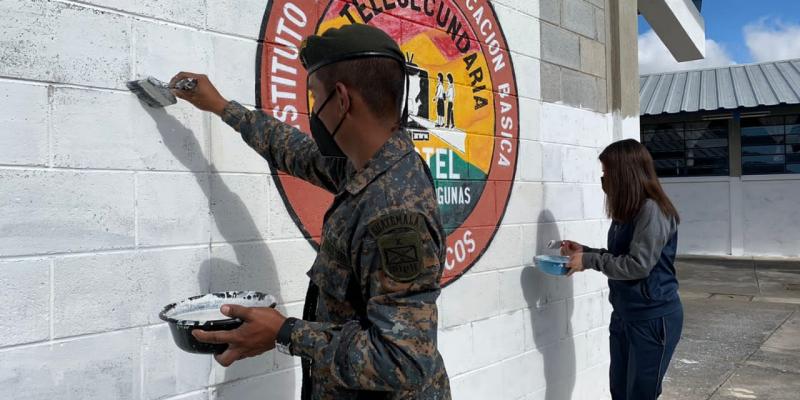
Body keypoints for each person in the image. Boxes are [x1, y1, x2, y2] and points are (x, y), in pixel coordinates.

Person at [170, 23, 451, 399]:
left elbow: (403, 361)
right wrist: (221, 106)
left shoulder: (394, 212)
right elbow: (297, 153)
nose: (314, 111)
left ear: (342, 99)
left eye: (315, 98)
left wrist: (286, 333)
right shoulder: (371, 164)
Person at [560, 139, 683, 400]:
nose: (604, 180)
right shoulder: (628, 211)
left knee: (639, 394)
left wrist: (589, 261)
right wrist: (585, 252)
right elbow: (619, 257)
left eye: (608, 174)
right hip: (626, 315)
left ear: (625, 174)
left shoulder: (651, 210)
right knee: (619, 391)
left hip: (652, 319)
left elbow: (637, 266)